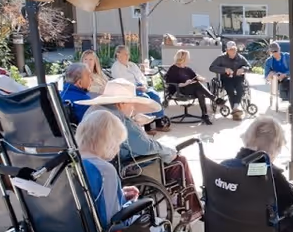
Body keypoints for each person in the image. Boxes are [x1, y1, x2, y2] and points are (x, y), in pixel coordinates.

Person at [76, 78, 203, 220]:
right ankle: (193, 208)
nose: (133, 108)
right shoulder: (119, 120)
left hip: (107, 159)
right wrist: (170, 152)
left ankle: (177, 199)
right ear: (122, 103)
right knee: (179, 161)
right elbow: (146, 147)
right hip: (129, 165)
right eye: (132, 104)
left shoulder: (93, 111)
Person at [75, 109, 140, 230]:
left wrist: (120, 195)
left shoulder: (69, 163)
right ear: (109, 142)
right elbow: (113, 223)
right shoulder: (104, 170)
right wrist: (132, 203)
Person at [109, 45, 168, 133]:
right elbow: (121, 82)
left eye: (128, 54)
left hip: (141, 86)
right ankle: (148, 126)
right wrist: (136, 87)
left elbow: (141, 77)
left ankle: (159, 122)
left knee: (154, 95)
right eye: (125, 54)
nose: (127, 56)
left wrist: (144, 85)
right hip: (129, 89)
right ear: (118, 54)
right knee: (144, 98)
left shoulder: (132, 65)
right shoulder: (116, 67)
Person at [165, 49, 224, 125]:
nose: (189, 59)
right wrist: (184, 83)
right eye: (187, 57)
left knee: (199, 92)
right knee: (197, 84)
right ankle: (214, 99)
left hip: (189, 89)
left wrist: (201, 78)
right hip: (179, 90)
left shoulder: (187, 69)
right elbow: (170, 83)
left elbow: (195, 77)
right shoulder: (173, 69)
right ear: (183, 58)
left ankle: (205, 115)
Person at [210, 41, 251, 121]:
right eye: (230, 50)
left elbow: (249, 67)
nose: (232, 51)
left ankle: (235, 108)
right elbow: (212, 67)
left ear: (236, 49)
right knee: (230, 89)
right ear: (227, 50)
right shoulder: (221, 58)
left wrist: (243, 69)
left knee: (240, 88)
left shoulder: (240, 58)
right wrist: (224, 69)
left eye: (234, 49)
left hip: (238, 77)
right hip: (226, 78)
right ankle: (235, 110)